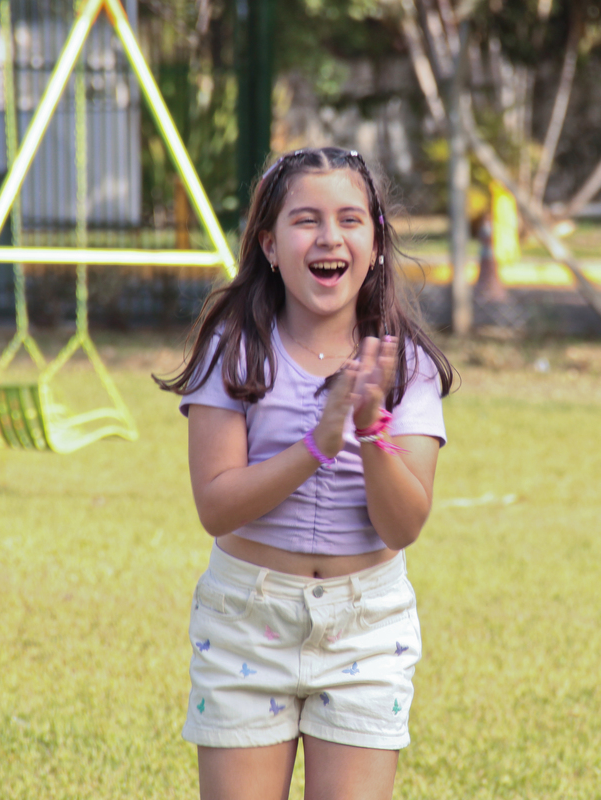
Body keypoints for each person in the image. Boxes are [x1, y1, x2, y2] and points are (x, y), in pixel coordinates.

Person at [157, 147, 454, 799]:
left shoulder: (408, 367)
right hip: (246, 617)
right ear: (269, 244)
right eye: (305, 220)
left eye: (350, 219)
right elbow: (216, 506)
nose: (329, 237)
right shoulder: (233, 350)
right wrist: (317, 445)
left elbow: (404, 525)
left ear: (376, 243)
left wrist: (372, 429)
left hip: (365, 626)